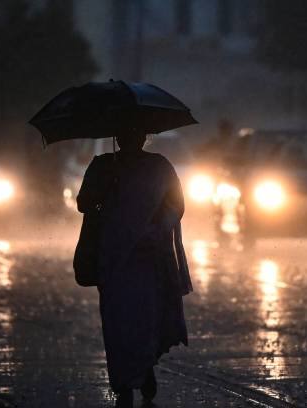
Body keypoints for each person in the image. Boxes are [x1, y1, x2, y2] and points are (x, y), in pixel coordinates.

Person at [76, 129, 192, 407]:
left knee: (137, 317)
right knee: (121, 320)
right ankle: (127, 380)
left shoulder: (158, 166)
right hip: (117, 257)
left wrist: (153, 229)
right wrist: (105, 186)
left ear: (143, 137)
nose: (131, 139)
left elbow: (176, 205)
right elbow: (83, 203)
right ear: (119, 137)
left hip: (144, 257)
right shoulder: (105, 166)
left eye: (136, 133)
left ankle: (139, 371)